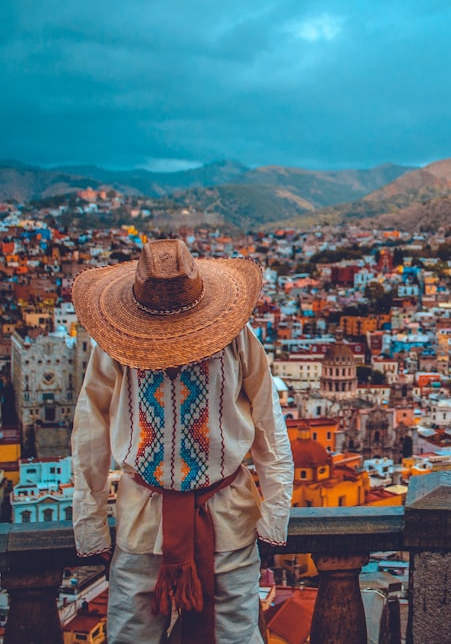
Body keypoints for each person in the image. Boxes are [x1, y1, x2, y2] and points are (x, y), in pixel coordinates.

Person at [71, 238, 294, 644]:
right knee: (133, 635)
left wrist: (276, 512)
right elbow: (90, 431)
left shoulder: (238, 339)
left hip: (224, 519)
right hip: (145, 522)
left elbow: (268, 425)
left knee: (234, 636)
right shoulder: (113, 348)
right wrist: (90, 524)